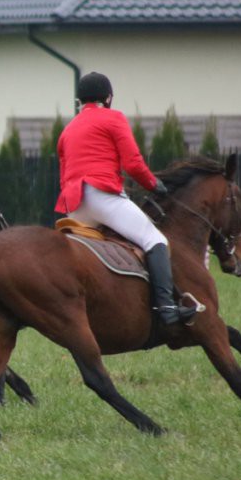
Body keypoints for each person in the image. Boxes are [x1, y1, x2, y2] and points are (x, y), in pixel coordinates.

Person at [55, 72, 199, 326]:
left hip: (75, 206)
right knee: (155, 240)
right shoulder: (113, 118)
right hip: (102, 198)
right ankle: (166, 308)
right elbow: (132, 164)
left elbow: (64, 175)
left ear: (80, 100)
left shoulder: (67, 130)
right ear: (108, 98)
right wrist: (154, 184)